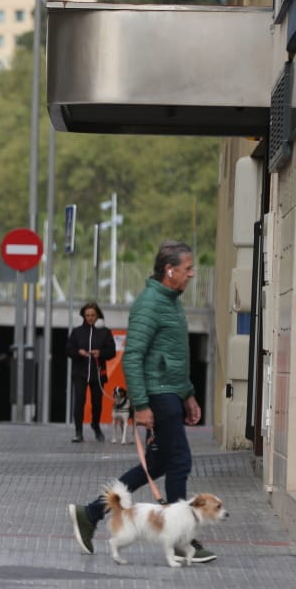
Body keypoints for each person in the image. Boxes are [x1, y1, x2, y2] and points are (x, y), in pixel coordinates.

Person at [66, 241, 215, 564]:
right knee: (180, 462)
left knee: (159, 464)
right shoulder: (149, 304)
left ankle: (90, 513)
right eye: (188, 269)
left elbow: (176, 356)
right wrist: (143, 405)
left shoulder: (171, 302)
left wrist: (188, 392)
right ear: (169, 270)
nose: (192, 274)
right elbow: (133, 357)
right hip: (158, 396)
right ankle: (179, 538)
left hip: (171, 393)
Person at [66, 302, 116, 443]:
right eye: (87, 315)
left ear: (97, 315)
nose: (90, 318)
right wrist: (78, 352)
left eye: (93, 315)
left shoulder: (105, 332)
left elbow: (111, 352)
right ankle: (78, 432)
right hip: (80, 373)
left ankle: (95, 425)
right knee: (79, 401)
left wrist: (100, 353)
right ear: (84, 316)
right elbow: (68, 350)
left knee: (97, 403)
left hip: (97, 373)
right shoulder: (77, 332)